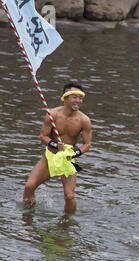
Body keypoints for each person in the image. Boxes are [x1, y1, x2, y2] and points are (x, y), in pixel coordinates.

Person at [23, 82, 92, 214]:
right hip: (50, 156)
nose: (78, 101)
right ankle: (28, 217)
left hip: (68, 159)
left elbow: (87, 144)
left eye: (80, 98)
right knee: (29, 187)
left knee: (69, 196)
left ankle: (68, 223)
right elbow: (43, 136)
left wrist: (74, 154)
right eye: (74, 97)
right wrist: (55, 144)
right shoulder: (53, 114)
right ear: (65, 98)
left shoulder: (84, 120)